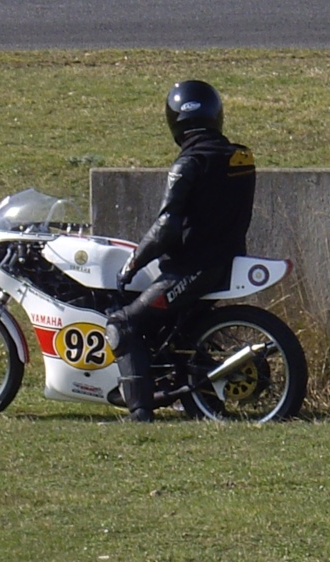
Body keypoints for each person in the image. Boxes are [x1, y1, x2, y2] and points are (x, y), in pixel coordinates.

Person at [105, 80, 256, 422]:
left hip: (192, 268)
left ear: (174, 120)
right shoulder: (241, 157)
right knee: (167, 331)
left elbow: (166, 227)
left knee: (122, 324)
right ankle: (192, 395)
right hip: (228, 261)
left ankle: (140, 411)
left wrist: (133, 262)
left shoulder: (187, 164)